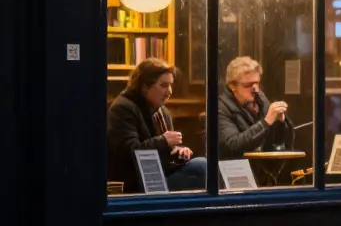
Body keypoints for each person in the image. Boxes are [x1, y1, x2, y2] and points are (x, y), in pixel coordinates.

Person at [107, 58, 207, 193]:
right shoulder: (122, 108)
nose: (170, 91)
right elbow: (128, 152)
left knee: (204, 164)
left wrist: (178, 151)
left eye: (171, 85)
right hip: (136, 182)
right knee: (202, 168)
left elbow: (164, 150)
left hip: (160, 173)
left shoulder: (162, 111)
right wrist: (164, 141)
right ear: (144, 86)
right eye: (164, 85)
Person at [218, 56, 294, 160]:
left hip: (263, 167)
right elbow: (232, 145)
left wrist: (280, 123)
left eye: (257, 83)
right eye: (248, 85)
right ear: (232, 86)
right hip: (234, 169)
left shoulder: (260, 99)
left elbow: (277, 144)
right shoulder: (220, 108)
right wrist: (266, 122)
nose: (256, 89)